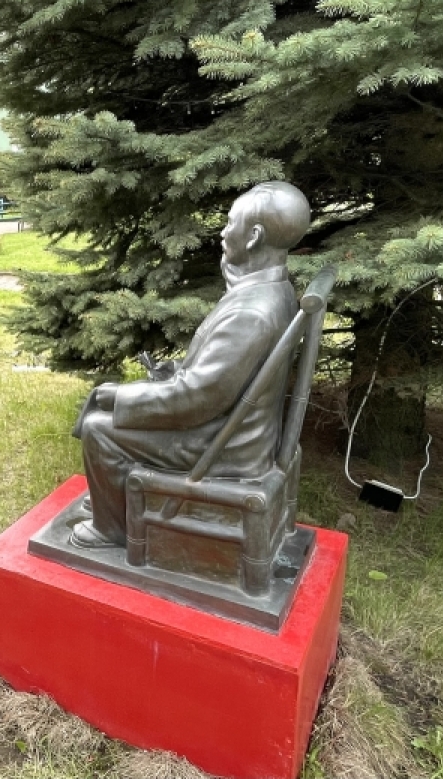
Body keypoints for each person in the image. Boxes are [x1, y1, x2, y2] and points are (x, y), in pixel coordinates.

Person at [69, 182, 311, 549]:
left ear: (254, 236)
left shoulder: (251, 312)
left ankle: (113, 528)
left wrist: (123, 396)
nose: (224, 231)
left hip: (223, 444)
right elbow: (218, 378)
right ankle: (111, 498)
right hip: (237, 429)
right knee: (110, 411)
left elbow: (198, 399)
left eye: (231, 223)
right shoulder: (273, 290)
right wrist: (178, 369)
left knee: (99, 427)